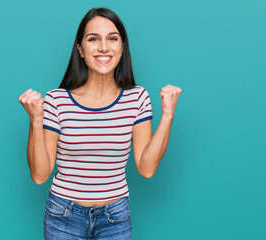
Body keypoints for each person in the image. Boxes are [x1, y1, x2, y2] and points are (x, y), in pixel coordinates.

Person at [18, 7, 182, 240]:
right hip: (63, 216)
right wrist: (36, 120)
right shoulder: (57, 100)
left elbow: (146, 168)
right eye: (93, 39)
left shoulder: (137, 98)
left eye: (112, 39)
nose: (104, 47)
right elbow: (39, 175)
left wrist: (168, 114)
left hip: (115, 216)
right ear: (80, 50)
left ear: (122, 48)